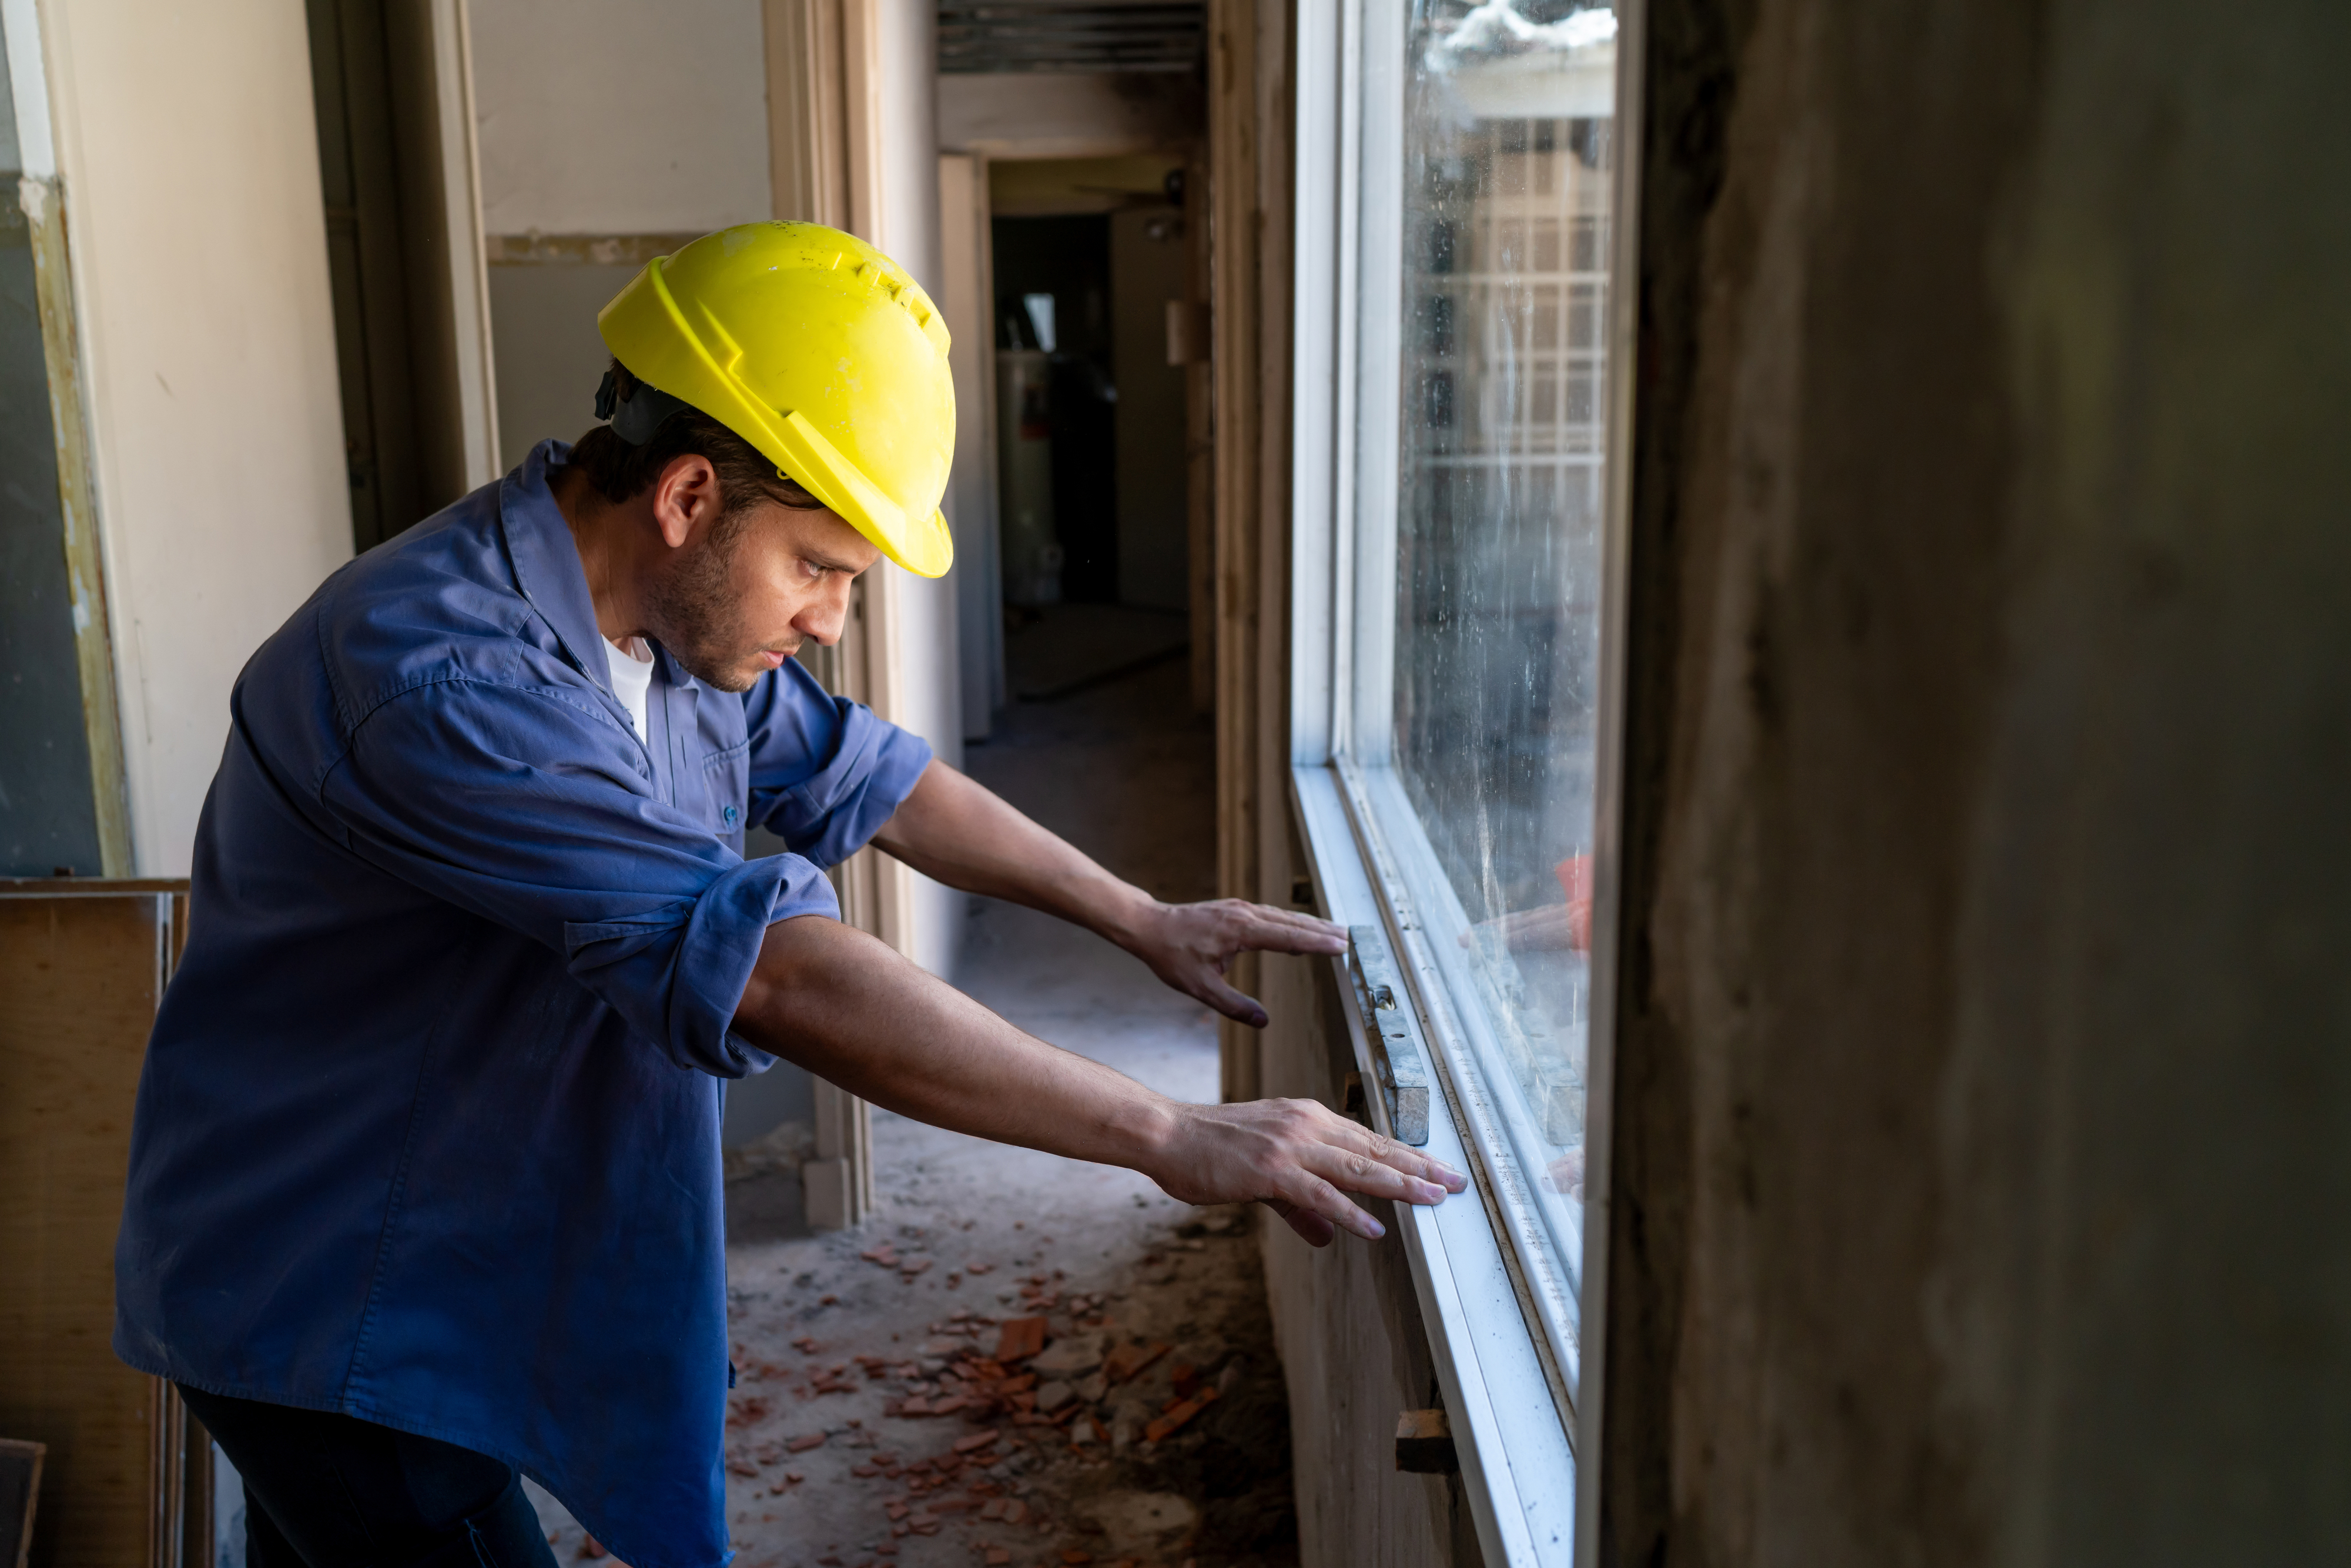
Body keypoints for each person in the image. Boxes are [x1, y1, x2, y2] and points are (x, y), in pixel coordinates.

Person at [112, 222, 1461, 1568]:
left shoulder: (663, 628)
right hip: (337, 1277)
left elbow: (871, 778)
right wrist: (1170, 1131)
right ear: (690, 496)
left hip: (452, 1220)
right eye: (817, 564)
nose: (828, 618)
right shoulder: (449, 678)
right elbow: (777, 970)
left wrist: (1142, 916)